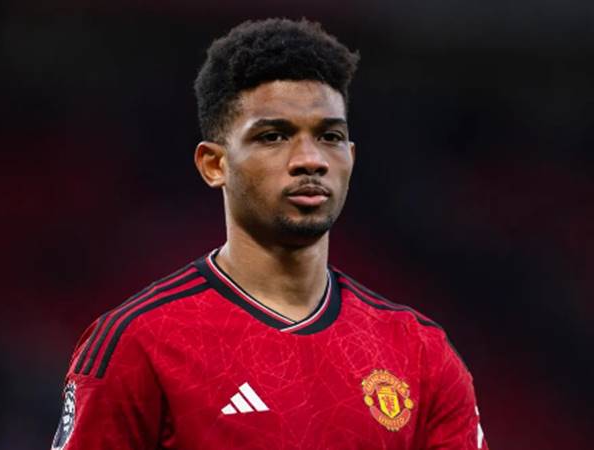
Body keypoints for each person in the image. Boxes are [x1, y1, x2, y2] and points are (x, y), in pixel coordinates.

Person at [51, 18, 488, 450]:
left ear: (351, 157)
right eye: (274, 136)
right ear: (214, 165)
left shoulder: (419, 352)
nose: (311, 160)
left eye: (330, 136)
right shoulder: (140, 343)